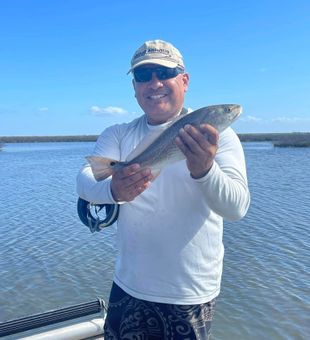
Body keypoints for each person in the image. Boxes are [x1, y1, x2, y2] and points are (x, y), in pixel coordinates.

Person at [76, 39, 250, 339]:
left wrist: (205, 170)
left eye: (164, 72)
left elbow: (236, 209)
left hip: (189, 294)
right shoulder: (118, 134)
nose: (154, 82)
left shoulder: (218, 135)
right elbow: (85, 181)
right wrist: (114, 191)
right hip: (127, 285)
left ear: (184, 80)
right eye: (144, 76)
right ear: (134, 88)